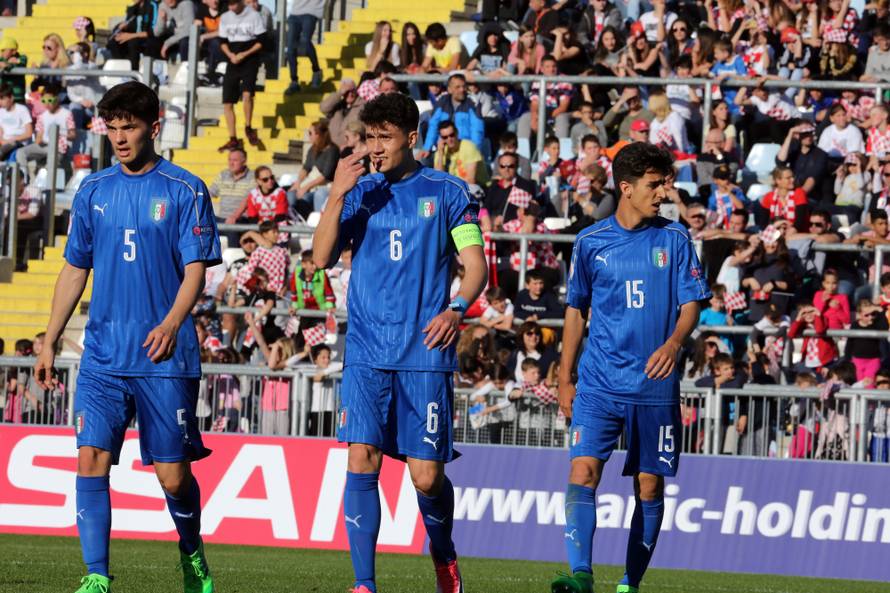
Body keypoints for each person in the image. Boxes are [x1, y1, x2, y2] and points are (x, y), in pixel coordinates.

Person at [33, 81, 219, 593]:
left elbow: (196, 271)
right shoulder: (93, 191)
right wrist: (49, 339)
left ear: (153, 128)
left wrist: (172, 322)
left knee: (172, 476)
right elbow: (75, 269)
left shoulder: (184, 189)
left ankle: (191, 551)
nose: (118, 137)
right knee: (90, 456)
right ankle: (96, 575)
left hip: (164, 355)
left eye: (129, 127)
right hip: (103, 355)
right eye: (111, 127)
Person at [312, 92, 487, 593]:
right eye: (368, 137)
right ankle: (364, 584)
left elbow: (475, 266)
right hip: (367, 351)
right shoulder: (361, 192)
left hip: (423, 354)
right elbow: (322, 258)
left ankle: (444, 555)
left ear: (411, 139)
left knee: (426, 478)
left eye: (384, 138)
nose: (374, 147)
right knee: (360, 457)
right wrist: (336, 194)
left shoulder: (449, 192)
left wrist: (456, 309)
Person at [553, 142, 708, 593]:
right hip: (600, 381)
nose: (664, 192)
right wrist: (565, 377)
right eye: (655, 184)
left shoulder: (674, 239)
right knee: (582, 472)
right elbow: (575, 313)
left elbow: (692, 304)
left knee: (649, 486)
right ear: (626, 187)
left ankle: (629, 585)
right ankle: (581, 576)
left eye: (666, 183)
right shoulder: (590, 243)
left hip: (654, 386)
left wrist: (675, 343)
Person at [217, 0, 266, 152]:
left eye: (234, 4)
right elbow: (222, 41)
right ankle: (233, 137)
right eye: (229, 5)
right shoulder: (225, 17)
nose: (231, 8)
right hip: (233, 59)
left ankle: (248, 126)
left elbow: (261, 41)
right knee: (227, 101)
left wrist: (244, 54)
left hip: (249, 58)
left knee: (247, 94)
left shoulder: (254, 15)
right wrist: (230, 55)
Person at [15, 83, 76, 174]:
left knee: (50, 162)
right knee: (20, 152)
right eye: (44, 101)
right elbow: (39, 137)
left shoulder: (66, 114)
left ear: (57, 99)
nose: (47, 104)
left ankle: (45, 184)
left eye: (50, 100)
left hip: (59, 148)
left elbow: (73, 135)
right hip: (44, 146)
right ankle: (24, 178)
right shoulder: (42, 116)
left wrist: (61, 134)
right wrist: (38, 140)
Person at [107, 0, 161, 70]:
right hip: (133, 37)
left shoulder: (153, 5)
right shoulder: (132, 8)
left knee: (133, 43)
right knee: (114, 41)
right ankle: (121, 69)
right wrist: (121, 27)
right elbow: (128, 24)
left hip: (149, 38)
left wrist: (130, 36)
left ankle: (134, 72)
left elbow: (154, 31)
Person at [433, 120, 490, 187]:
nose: (449, 139)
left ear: (457, 133)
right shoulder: (441, 151)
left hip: (478, 187)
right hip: (454, 187)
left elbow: (471, 180)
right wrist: (441, 155)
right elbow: (438, 179)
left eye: (452, 135)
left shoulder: (469, 147)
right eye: (445, 137)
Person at [320, 78, 365, 147]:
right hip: (332, 148)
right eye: (347, 92)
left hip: (350, 149)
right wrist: (339, 93)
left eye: (352, 91)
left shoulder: (362, 106)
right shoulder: (337, 105)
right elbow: (323, 108)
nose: (350, 94)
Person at [0, 83, 33, 160]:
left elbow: (29, 133)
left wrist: (14, 139)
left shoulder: (22, 110)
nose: (0, 102)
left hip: (19, 143)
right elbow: (1, 131)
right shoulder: (1, 111)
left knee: (10, 154)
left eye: (2, 98)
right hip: (5, 143)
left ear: (11, 98)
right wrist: (2, 141)